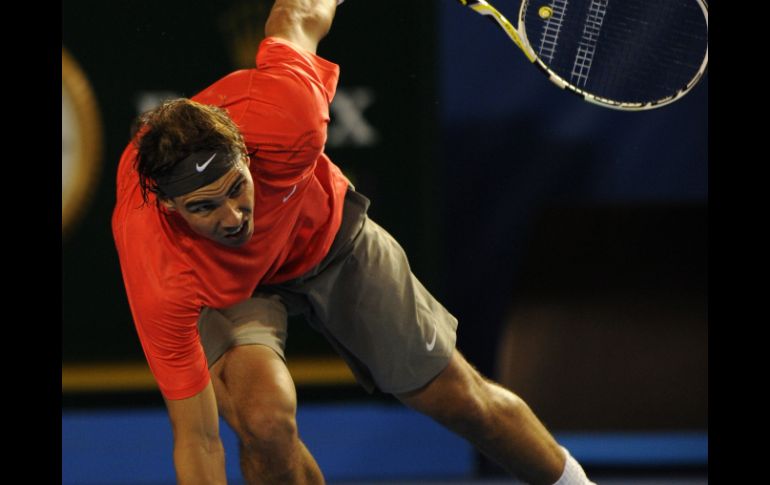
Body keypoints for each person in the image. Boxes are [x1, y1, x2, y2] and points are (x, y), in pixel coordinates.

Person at [112, 1, 595, 484]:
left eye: (237, 187)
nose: (234, 216)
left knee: (461, 399)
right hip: (229, 288)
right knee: (264, 420)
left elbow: (297, 14)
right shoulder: (157, 265)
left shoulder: (287, 118)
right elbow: (198, 440)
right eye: (204, 207)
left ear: (244, 150)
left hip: (327, 238)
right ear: (171, 208)